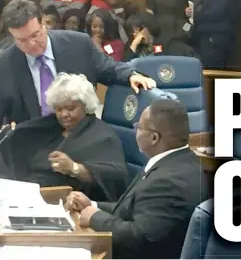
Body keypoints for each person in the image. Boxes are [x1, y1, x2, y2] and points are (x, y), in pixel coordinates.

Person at [0, 0, 156, 176]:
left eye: (36, 35)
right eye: (22, 40)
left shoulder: (78, 45)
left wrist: (131, 75)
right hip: (33, 153)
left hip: (82, 145)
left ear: (44, 23)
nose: (32, 44)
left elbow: (109, 68)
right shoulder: (1, 68)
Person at [64, 99, 207, 259]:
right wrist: (92, 205)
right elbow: (131, 210)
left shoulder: (167, 182)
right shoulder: (178, 162)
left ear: (154, 138)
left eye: (138, 127)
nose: (135, 131)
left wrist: (95, 218)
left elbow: (138, 238)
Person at [0, 73, 129, 201]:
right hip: (30, 193)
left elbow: (114, 178)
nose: (64, 114)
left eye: (71, 108)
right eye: (59, 109)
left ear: (85, 105)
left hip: (68, 202)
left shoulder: (103, 137)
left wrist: (74, 168)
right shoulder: (49, 128)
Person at [189, 0, 238, 69]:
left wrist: (196, 14)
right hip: (212, 37)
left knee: (213, 71)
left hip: (215, 38)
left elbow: (215, 11)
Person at [123, 11, 197, 61]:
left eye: (139, 29)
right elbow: (124, 69)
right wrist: (134, 45)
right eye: (132, 31)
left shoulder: (167, 43)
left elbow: (191, 57)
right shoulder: (131, 46)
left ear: (149, 26)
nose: (135, 34)